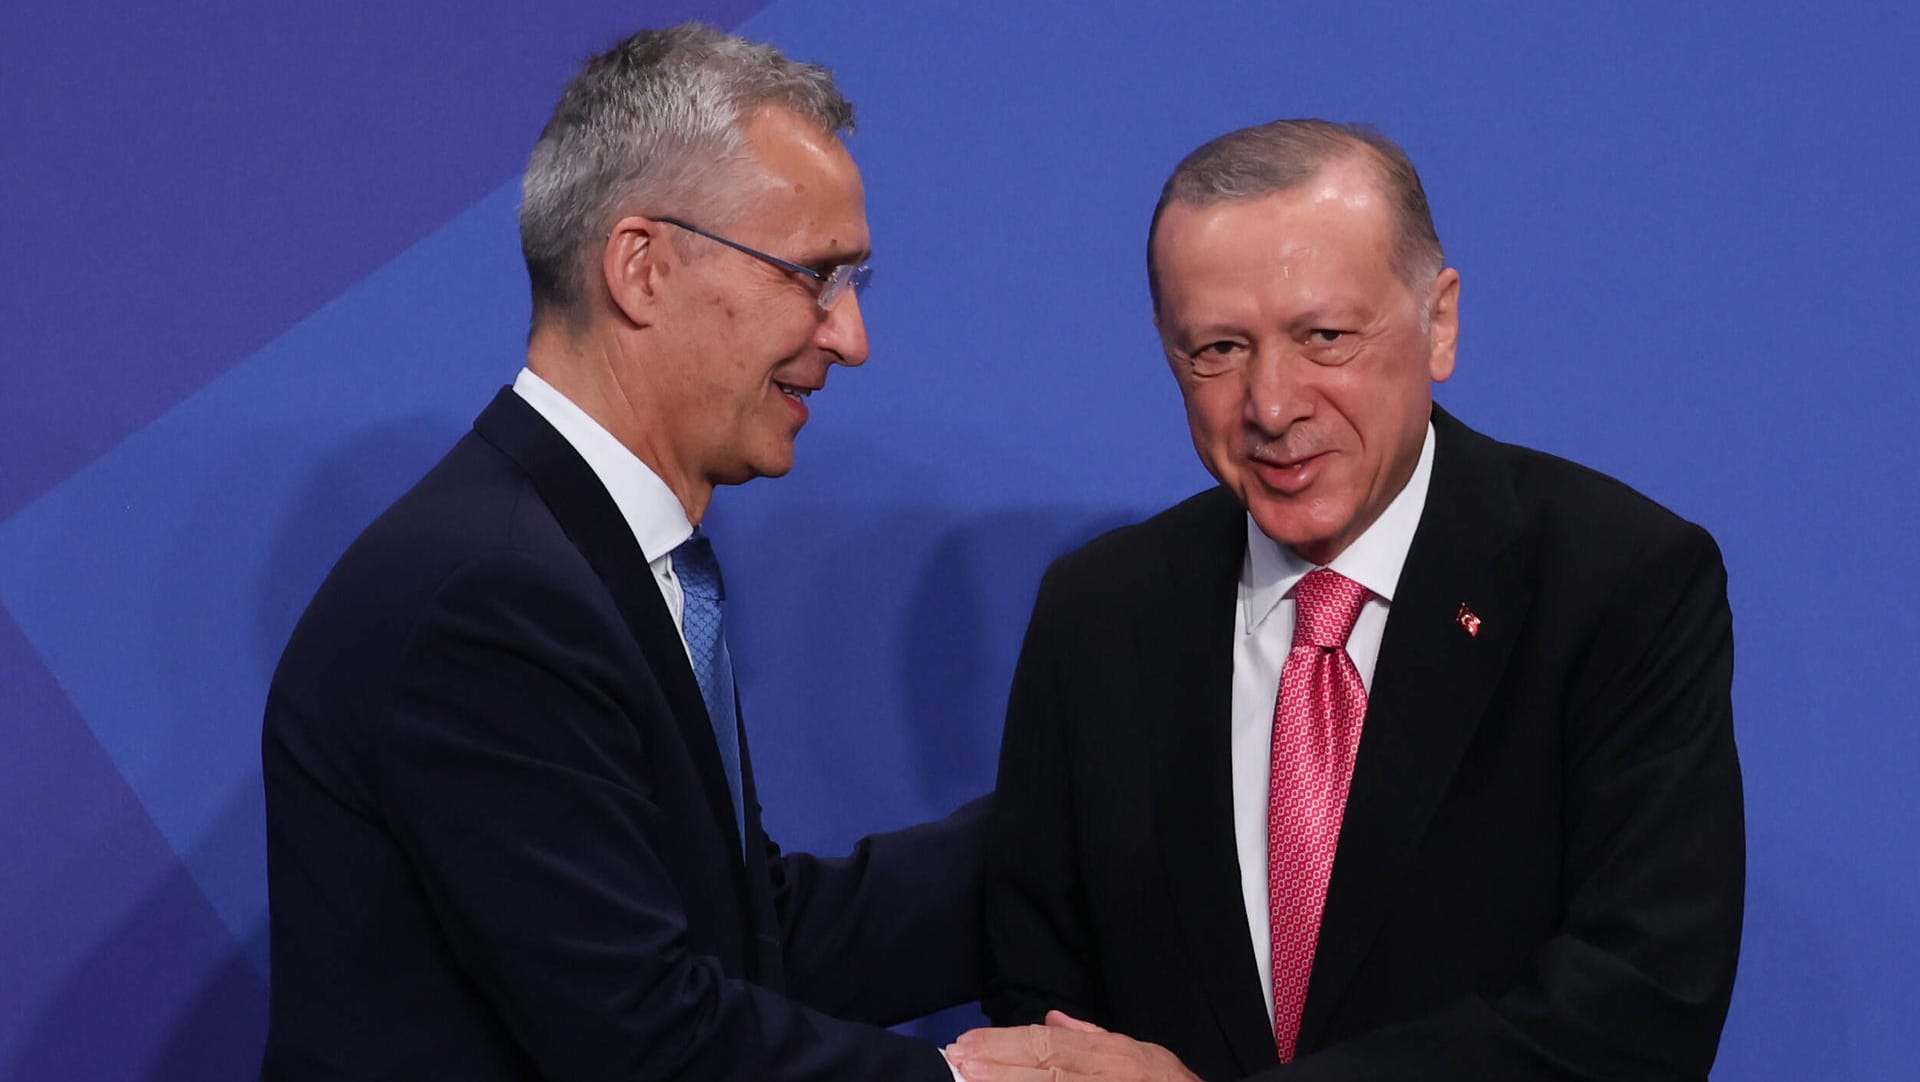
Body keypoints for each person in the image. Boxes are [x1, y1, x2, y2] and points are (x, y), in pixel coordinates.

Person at [261, 24, 986, 1082]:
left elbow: (748, 937)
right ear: (642, 267)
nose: (850, 335)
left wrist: (1083, 822)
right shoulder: (490, 597)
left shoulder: (587, 556)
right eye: (815, 276)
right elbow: (643, 1035)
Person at [947, 120, 1743, 1081]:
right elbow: (1046, 1004)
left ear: (1438, 323)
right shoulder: (1101, 612)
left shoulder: (1616, 581)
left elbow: (1641, 1008)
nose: (1272, 404)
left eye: (1323, 337)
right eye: (1219, 349)